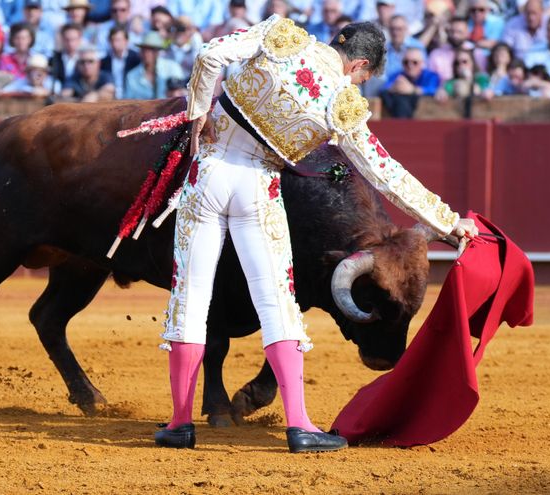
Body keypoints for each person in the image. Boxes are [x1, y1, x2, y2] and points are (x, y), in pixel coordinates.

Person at [156, 16, 477, 453]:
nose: (360, 83)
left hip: (206, 174)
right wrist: (449, 220)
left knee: (191, 296)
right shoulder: (342, 102)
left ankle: (178, 425)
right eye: (364, 76)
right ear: (359, 64)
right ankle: (300, 425)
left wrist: (197, 115)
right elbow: (386, 175)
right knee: (277, 301)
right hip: (257, 188)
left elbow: (209, 55)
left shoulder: (280, 35)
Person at [123, 30, 184, 99]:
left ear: (157, 52)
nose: (147, 53)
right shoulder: (132, 76)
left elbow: (181, 93)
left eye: (151, 50)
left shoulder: (172, 67)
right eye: (144, 49)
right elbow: (128, 102)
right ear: (140, 52)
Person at [381, 46, 439, 117]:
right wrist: (394, 88)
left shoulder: (431, 76)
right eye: (406, 62)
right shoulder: (398, 75)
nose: (410, 65)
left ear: (422, 63)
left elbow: (435, 90)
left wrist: (413, 90)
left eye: (415, 62)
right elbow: (383, 88)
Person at [101, 25, 140, 98]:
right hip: (111, 98)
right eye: (112, 40)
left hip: (132, 96)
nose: (115, 43)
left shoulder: (136, 59)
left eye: (118, 40)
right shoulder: (104, 62)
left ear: (126, 41)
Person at [51, 23, 83, 87]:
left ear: (79, 40)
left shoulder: (85, 59)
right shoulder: (54, 60)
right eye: (67, 39)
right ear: (62, 39)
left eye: (73, 39)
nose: (70, 43)